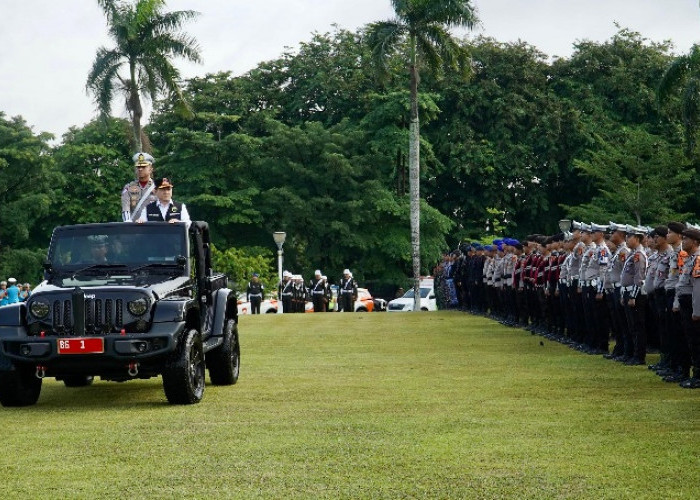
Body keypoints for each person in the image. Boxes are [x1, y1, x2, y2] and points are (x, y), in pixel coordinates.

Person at [121, 152, 157, 222]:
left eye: (143, 167)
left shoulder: (157, 188)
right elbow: (125, 209)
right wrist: (128, 224)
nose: (140, 169)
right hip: (135, 228)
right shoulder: (128, 188)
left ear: (150, 169)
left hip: (153, 227)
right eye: (138, 167)